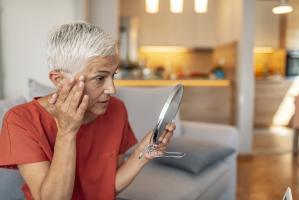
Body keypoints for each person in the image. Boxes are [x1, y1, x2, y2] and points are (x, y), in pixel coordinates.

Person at [0, 22, 175, 200]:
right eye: (100, 78)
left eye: (113, 75)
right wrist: (67, 131)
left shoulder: (116, 109)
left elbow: (107, 188)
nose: (112, 89)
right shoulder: (20, 120)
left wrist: (142, 154)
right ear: (60, 80)